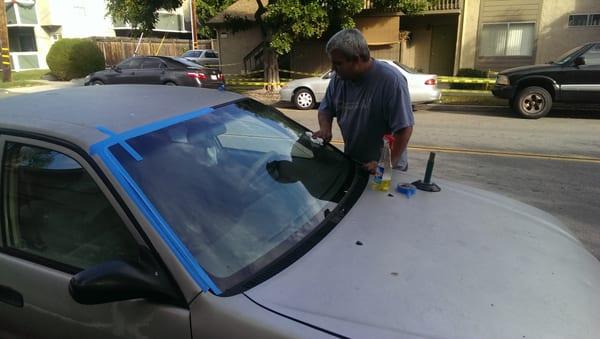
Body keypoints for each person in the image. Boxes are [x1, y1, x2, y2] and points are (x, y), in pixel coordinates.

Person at [314, 29, 414, 173]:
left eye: (338, 63)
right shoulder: (338, 80)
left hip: (386, 171)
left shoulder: (391, 81)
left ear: (356, 59)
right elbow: (326, 109)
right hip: (355, 164)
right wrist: (325, 128)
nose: (333, 69)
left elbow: (404, 129)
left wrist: (385, 164)